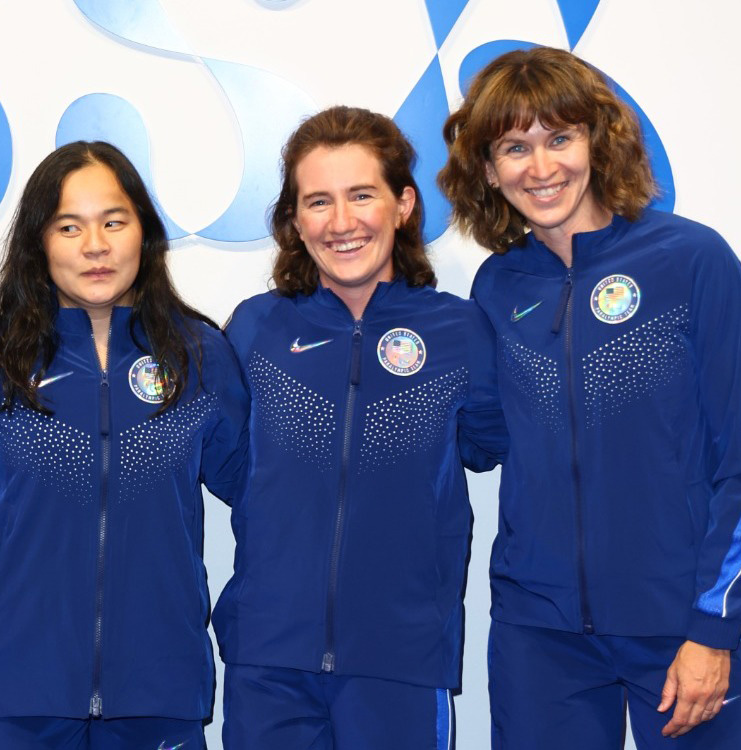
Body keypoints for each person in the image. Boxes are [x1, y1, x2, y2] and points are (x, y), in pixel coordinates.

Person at [438, 46, 741, 748]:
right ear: (487, 169)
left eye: (559, 139)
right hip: (540, 636)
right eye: (514, 147)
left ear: (597, 142)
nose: (540, 169)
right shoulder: (497, 288)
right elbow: (484, 440)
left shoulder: (691, 260)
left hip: (678, 624)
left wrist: (711, 627)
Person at [214, 106, 508, 749]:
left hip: (400, 662)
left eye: (362, 195)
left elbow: (490, 447)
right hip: (268, 660)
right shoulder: (255, 329)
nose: (341, 222)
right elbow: (231, 466)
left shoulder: (460, 332)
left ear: (403, 204)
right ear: (294, 218)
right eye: (317, 201)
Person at [0, 141, 248, 750]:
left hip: (160, 687)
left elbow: (266, 499)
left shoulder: (200, 356)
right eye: (70, 226)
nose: (96, 246)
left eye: (114, 222)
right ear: (39, 241)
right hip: (20, 690)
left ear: (144, 231)